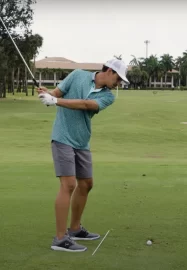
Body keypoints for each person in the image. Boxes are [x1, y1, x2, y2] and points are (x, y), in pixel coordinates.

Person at [37, 58, 129, 252]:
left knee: (86, 184)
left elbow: (87, 105)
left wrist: (56, 101)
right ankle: (60, 239)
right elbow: (57, 92)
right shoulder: (77, 74)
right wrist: (48, 95)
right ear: (110, 71)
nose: (119, 83)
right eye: (118, 79)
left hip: (82, 141)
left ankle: (75, 229)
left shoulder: (109, 96)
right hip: (62, 137)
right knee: (68, 184)